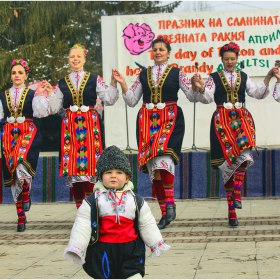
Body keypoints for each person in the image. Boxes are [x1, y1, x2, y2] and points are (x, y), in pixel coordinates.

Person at [112, 35, 196, 230]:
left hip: (169, 118)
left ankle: (171, 202)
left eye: (162, 49)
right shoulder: (144, 74)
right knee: (155, 170)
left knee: (163, 159)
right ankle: (165, 213)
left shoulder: (177, 73)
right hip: (147, 122)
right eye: (155, 49)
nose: (158, 52)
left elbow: (191, 95)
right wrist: (123, 82)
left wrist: (197, 84)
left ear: (168, 53)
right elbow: (132, 100)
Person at [191, 41, 277, 226]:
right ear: (221, 60)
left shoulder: (244, 76)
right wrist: (200, 86)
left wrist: (269, 76)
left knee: (245, 156)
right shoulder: (214, 77)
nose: (230, 61)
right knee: (228, 166)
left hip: (241, 118)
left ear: (237, 59)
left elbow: (257, 93)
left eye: (232, 58)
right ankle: (232, 211)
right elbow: (207, 97)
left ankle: (236, 193)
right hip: (222, 121)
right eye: (226, 59)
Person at [63, 145, 170, 279]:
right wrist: (76, 248)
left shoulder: (136, 201)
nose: (113, 176)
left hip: (131, 250)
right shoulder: (92, 202)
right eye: (108, 172)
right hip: (103, 250)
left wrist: (156, 243)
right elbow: (82, 225)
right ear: (101, 177)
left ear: (127, 178)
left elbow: (147, 224)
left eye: (119, 172)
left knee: (134, 276)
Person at [48, 43, 119, 209]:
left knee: (89, 169)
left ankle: (93, 210)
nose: (75, 59)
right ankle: (81, 212)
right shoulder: (62, 82)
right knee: (74, 169)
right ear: (68, 60)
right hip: (70, 129)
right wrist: (49, 93)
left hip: (89, 126)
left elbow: (109, 99)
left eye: (78, 56)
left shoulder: (94, 79)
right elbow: (53, 108)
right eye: (72, 56)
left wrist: (113, 82)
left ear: (84, 59)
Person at [0, 58, 53, 232]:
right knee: (13, 174)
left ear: (26, 76)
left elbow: (40, 112)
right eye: (14, 72)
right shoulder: (3, 95)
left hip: (27, 132)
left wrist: (42, 94)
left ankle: (26, 194)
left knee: (21, 166)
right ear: (10, 76)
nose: (17, 75)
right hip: (9, 134)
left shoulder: (32, 94)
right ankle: (21, 217)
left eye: (20, 72)